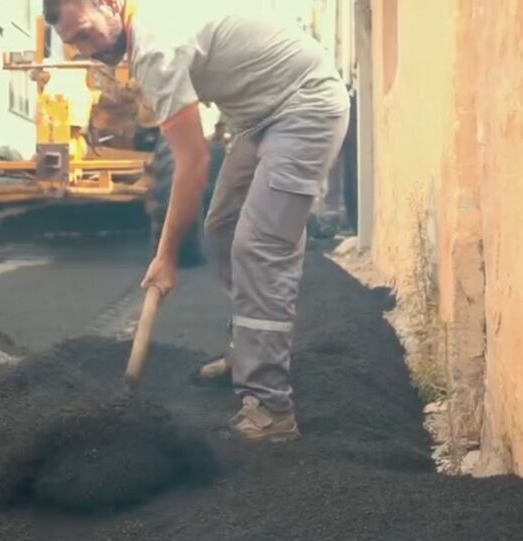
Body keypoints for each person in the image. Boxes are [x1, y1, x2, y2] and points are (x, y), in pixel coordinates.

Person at [47, 0, 350, 442]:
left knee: (261, 247)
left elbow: (191, 164)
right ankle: (249, 354)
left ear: (109, 5)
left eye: (85, 34)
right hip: (258, 116)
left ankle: (269, 410)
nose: (81, 50)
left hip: (305, 107)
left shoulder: (154, 45)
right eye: (72, 42)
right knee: (222, 228)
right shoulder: (145, 31)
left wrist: (166, 256)